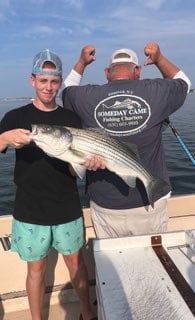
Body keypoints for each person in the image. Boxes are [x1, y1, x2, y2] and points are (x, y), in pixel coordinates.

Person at [0, 49, 100, 320]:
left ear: (59, 82)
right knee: (35, 271)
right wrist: (5, 138)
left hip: (66, 204)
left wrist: (86, 163)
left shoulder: (71, 119)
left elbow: (73, 166)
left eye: (54, 81)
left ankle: (88, 314)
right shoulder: (14, 117)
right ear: (33, 80)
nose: (49, 87)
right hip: (30, 208)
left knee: (77, 265)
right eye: (43, 81)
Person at [62, 42, 191, 239]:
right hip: (150, 205)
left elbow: (66, 89)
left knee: (111, 265)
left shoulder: (86, 96)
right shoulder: (155, 91)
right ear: (137, 70)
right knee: (153, 264)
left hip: (106, 204)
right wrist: (159, 58)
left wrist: (82, 62)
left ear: (107, 72)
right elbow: (184, 82)